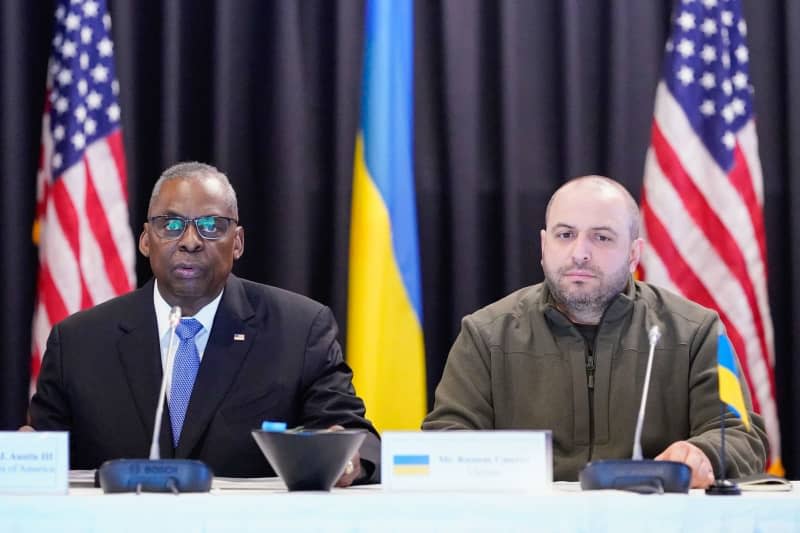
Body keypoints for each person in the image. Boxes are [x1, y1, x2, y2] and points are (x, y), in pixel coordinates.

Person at [28, 161, 379, 486]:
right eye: (171, 224)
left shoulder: (300, 330)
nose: (191, 241)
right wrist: (26, 453)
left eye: (211, 226)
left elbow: (357, 440)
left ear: (237, 242)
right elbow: (42, 455)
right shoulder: (78, 342)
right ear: (146, 240)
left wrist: (347, 457)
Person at [423, 175, 768, 488]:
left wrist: (702, 453)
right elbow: (444, 440)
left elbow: (740, 437)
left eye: (601, 237)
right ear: (544, 247)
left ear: (634, 253)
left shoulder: (695, 332)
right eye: (565, 235)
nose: (580, 253)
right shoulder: (486, 334)